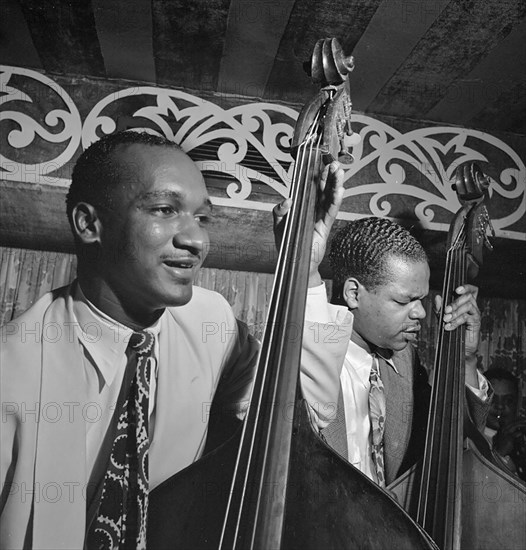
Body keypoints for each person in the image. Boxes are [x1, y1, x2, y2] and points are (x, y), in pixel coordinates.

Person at [0, 131, 349, 549]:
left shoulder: (211, 321)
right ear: (90, 224)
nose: (196, 241)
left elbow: (306, 415)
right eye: (165, 210)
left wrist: (304, 270)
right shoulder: (9, 366)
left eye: (202, 218)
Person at [297, 216, 491, 488]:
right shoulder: (299, 359)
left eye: (421, 299)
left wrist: (467, 359)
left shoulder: (406, 360)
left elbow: (456, 446)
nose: (421, 313)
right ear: (354, 293)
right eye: (404, 300)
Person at [484, 367, 526, 481]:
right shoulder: (468, 438)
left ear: (517, 404)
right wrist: (500, 453)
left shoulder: (521, 434)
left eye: (508, 401)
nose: (500, 406)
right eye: (492, 399)